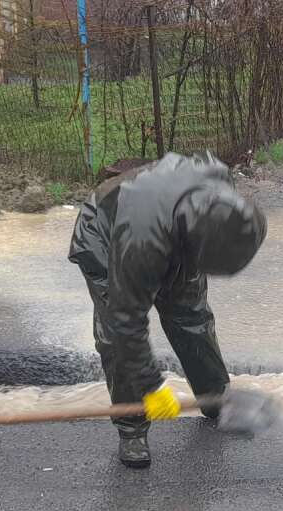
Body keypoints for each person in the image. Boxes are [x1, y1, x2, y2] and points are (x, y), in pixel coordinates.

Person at [68, 153, 267, 468]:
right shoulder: (141, 241)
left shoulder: (220, 190)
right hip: (107, 238)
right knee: (116, 341)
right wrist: (151, 386)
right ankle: (131, 427)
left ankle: (215, 398)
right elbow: (126, 322)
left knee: (192, 318)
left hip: (176, 234)